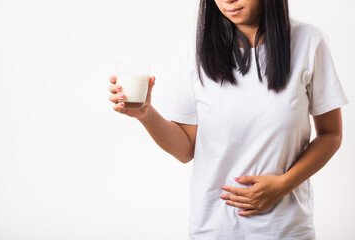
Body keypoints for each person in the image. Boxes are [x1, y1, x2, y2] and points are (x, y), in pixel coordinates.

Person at [109, 0, 348, 239]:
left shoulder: (309, 41)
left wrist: (283, 184)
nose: (227, 1)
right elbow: (185, 150)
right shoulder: (193, 50)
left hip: (285, 229)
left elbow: (331, 134)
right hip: (213, 228)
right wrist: (146, 115)